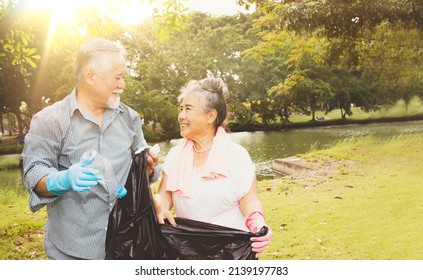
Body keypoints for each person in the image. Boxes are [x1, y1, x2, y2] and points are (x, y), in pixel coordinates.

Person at [21, 37, 161, 260]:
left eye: (123, 77)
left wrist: (149, 167)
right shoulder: (50, 120)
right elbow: (34, 173)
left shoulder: (130, 118)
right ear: (90, 76)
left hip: (126, 244)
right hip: (72, 250)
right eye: (118, 77)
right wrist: (64, 180)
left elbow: (146, 171)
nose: (123, 85)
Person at [153, 77, 273, 258]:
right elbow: (164, 195)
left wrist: (257, 222)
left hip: (229, 252)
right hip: (187, 251)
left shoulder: (236, 155)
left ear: (211, 116)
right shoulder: (175, 155)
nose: (181, 116)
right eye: (181, 109)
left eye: (188, 109)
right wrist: (160, 206)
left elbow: (249, 200)